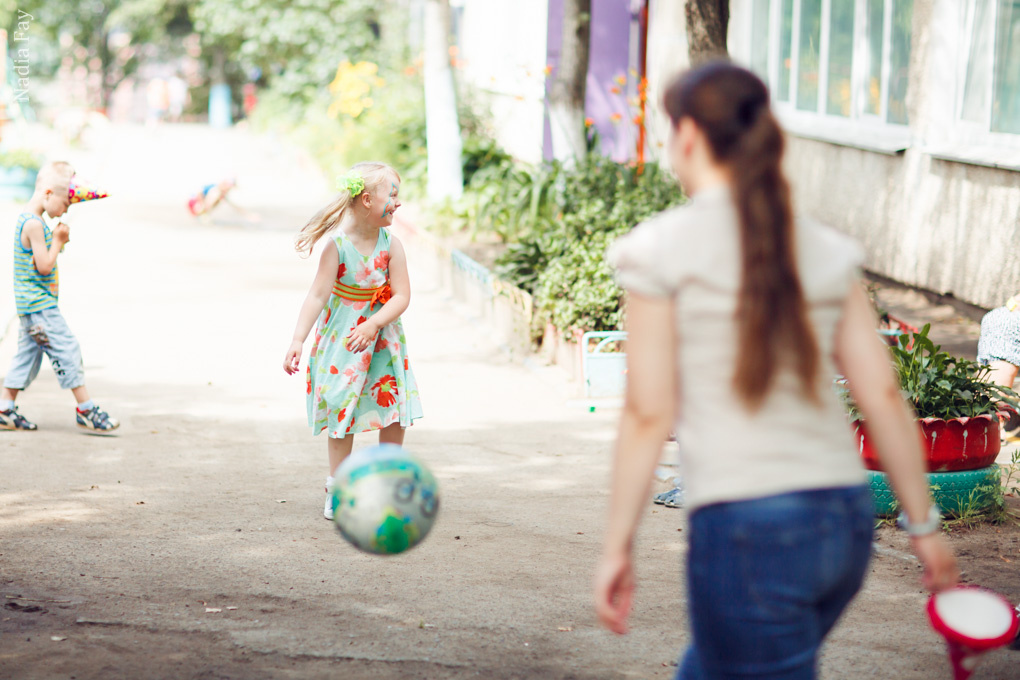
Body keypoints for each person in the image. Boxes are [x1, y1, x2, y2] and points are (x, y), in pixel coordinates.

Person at [593, 63, 958, 679]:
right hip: (841, 522)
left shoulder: (659, 249)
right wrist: (923, 526)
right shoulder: (822, 246)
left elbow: (649, 411)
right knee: (716, 665)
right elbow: (883, 395)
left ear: (686, 137)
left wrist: (616, 546)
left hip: (749, 532)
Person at [283, 162, 423, 519]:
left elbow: (402, 296)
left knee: (392, 413)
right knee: (341, 409)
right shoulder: (338, 247)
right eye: (392, 194)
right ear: (365, 200)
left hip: (382, 343)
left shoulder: (392, 245)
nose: (398, 202)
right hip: (343, 344)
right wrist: (298, 339)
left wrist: (374, 324)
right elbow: (317, 295)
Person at [0, 161, 120, 434]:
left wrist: (54, 241)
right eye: (66, 203)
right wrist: (59, 241)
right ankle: (86, 409)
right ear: (48, 193)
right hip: (41, 308)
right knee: (67, 348)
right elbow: (43, 265)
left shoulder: (30, 220)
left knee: (26, 358)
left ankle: (5, 409)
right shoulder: (33, 224)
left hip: (31, 308)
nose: (66, 209)